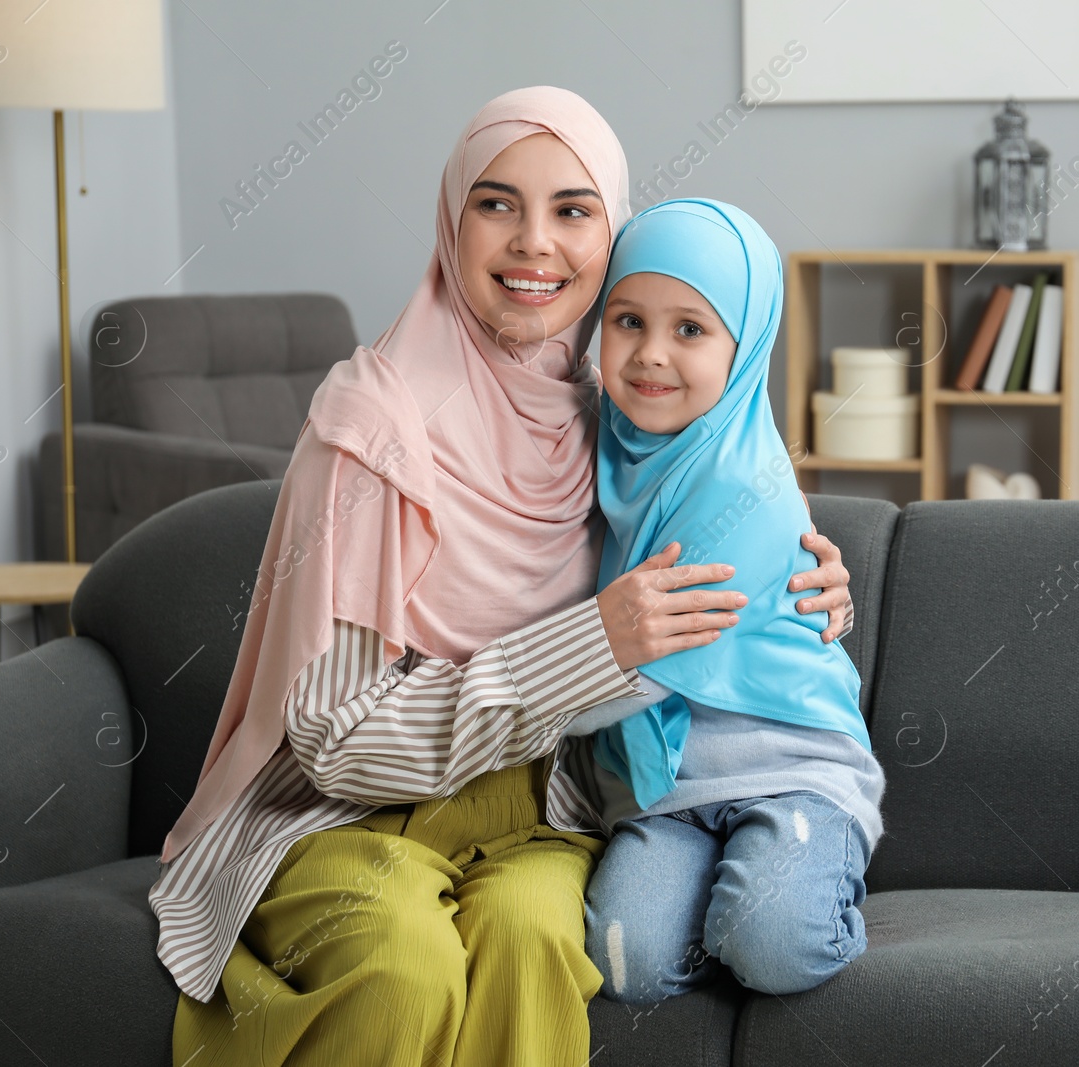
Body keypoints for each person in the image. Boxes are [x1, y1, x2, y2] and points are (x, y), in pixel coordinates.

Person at [147, 90, 856, 1067]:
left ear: (615, 233)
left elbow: (732, 479)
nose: (534, 244)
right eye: (495, 204)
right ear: (451, 218)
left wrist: (807, 574)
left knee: (531, 940)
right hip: (341, 810)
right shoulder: (370, 435)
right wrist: (590, 647)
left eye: (572, 210)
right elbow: (335, 743)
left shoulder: (614, 404)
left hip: (540, 812)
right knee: (405, 967)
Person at [569, 199, 885, 1005]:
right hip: (669, 793)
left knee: (773, 942)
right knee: (622, 959)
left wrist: (519, 689)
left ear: (746, 350)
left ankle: (800, 887)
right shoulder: (602, 440)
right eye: (628, 319)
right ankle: (725, 913)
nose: (649, 355)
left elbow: (647, 666)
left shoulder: (746, 484)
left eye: (691, 330)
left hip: (787, 768)